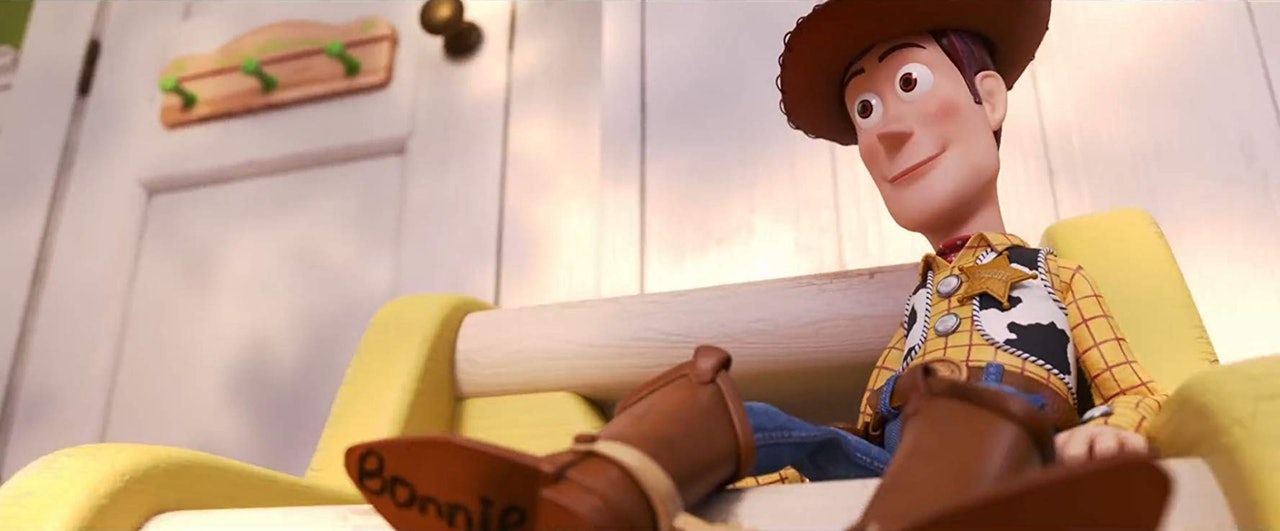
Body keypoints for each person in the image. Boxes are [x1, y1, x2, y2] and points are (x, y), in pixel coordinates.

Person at [346, 1, 1173, 530]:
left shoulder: (1055, 275)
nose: (884, 130)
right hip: (894, 455)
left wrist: (1110, 432)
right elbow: (863, 430)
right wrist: (775, 472)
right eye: (865, 108)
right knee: (729, 407)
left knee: (961, 420)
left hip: (1008, 451)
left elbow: (1138, 389)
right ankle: (582, 499)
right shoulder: (919, 305)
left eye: (909, 82)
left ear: (988, 99)